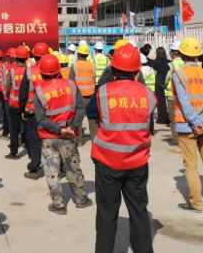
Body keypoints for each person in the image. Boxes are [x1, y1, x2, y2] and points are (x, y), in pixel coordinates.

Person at [88, 44, 155, 253]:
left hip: (107, 163)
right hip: (137, 162)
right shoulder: (148, 94)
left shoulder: (102, 92)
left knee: (106, 214)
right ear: (137, 71)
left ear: (113, 69)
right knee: (139, 211)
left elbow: (92, 113)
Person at [34, 54, 91, 215]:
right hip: (69, 137)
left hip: (49, 138)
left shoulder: (39, 91)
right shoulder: (71, 85)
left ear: (42, 73)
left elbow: (40, 118)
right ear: (59, 70)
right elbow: (81, 108)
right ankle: (81, 200)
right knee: (73, 169)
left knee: (52, 173)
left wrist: (58, 130)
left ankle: (58, 205)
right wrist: (71, 127)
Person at [171, 38, 203, 213]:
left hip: (187, 125)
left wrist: (195, 121)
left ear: (181, 54)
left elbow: (184, 101)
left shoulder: (179, 74)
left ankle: (196, 204)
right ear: (198, 55)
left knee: (191, 166)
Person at [19, 42, 50, 179]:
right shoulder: (54, 70)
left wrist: (22, 109)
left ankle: (34, 169)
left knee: (35, 141)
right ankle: (60, 168)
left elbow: (23, 92)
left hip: (33, 112)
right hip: (51, 112)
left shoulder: (30, 71)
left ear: (34, 56)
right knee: (54, 140)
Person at [69, 43, 97, 144]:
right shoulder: (93, 65)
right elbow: (94, 79)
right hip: (91, 95)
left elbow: (71, 81)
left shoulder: (75, 65)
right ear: (87, 55)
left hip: (79, 96)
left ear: (78, 54)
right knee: (92, 119)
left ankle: (79, 141)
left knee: (79, 119)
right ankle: (95, 140)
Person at [5, 46, 29, 160]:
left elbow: (8, 88)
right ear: (26, 58)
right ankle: (29, 149)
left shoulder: (12, 71)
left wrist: (10, 97)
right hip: (27, 104)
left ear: (16, 58)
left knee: (14, 129)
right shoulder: (30, 71)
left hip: (14, 103)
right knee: (28, 128)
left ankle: (13, 153)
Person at [164, 41, 185, 153]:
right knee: (185, 117)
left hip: (172, 96)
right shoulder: (186, 63)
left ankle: (177, 143)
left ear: (172, 53)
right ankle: (186, 141)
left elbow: (166, 79)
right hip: (186, 96)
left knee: (173, 120)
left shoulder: (171, 65)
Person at [146, 47, 171, 125]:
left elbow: (147, 61)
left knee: (160, 102)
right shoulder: (169, 62)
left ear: (157, 53)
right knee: (169, 102)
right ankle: (169, 116)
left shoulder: (155, 62)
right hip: (168, 83)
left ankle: (162, 118)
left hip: (158, 83)